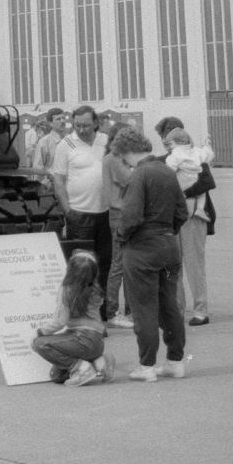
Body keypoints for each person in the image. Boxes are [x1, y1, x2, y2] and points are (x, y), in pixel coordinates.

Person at [115, 126, 188, 382]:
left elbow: (131, 217)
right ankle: (175, 362)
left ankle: (146, 366)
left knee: (144, 308)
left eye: (122, 157)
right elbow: (182, 213)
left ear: (126, 152)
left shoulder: (139, 175)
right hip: (169, 246)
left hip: (142, 250)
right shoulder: (167, 171)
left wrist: (121, 236)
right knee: (169, 305)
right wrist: (166, 231)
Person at [51, 106, 112, 309]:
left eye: (86, 125)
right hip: (79, 215)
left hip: (105, 213)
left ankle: (102, 312)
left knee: (105, 263)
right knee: (82, 267)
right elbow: (58, 179)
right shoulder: (65, 144)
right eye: (77, 125)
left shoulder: (106, 141)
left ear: (95, 123)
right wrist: (67, 210)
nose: (82, 129)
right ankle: (82, 311)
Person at [31, 249, 115, 386]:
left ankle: (83, 368)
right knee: (58, 376)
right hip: (97, 343)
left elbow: (60, 321)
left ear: (70, 270)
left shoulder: (66, 289)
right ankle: (101, 361)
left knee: (40, 344)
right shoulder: (96, 289)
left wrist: (39, 332)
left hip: (80, 338)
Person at [164, 128, 215, 324]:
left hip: (190, 210)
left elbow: (207, 181)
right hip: (175, 212)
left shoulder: (178, 158)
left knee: (194, 263)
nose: (166, 144)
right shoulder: (177, 157)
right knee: (173, 263)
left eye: (168, 141)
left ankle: (200, 309)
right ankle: (177, 309)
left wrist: (182, 194)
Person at [101, 125, 136, 328]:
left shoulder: (114, 158)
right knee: (120, 265)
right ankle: (114, 312)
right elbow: (132, 180)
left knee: (124, 264)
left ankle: (128, 311)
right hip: (120, 214)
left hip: (121, 214)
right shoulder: (114, 160)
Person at [32, 107, 69, 176]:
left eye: (63, 118)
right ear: (50, 123)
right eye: (58, 119)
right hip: (52, 184)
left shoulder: (72, 139)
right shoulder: (44, 142)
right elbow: (38, 169)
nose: (62, 121)